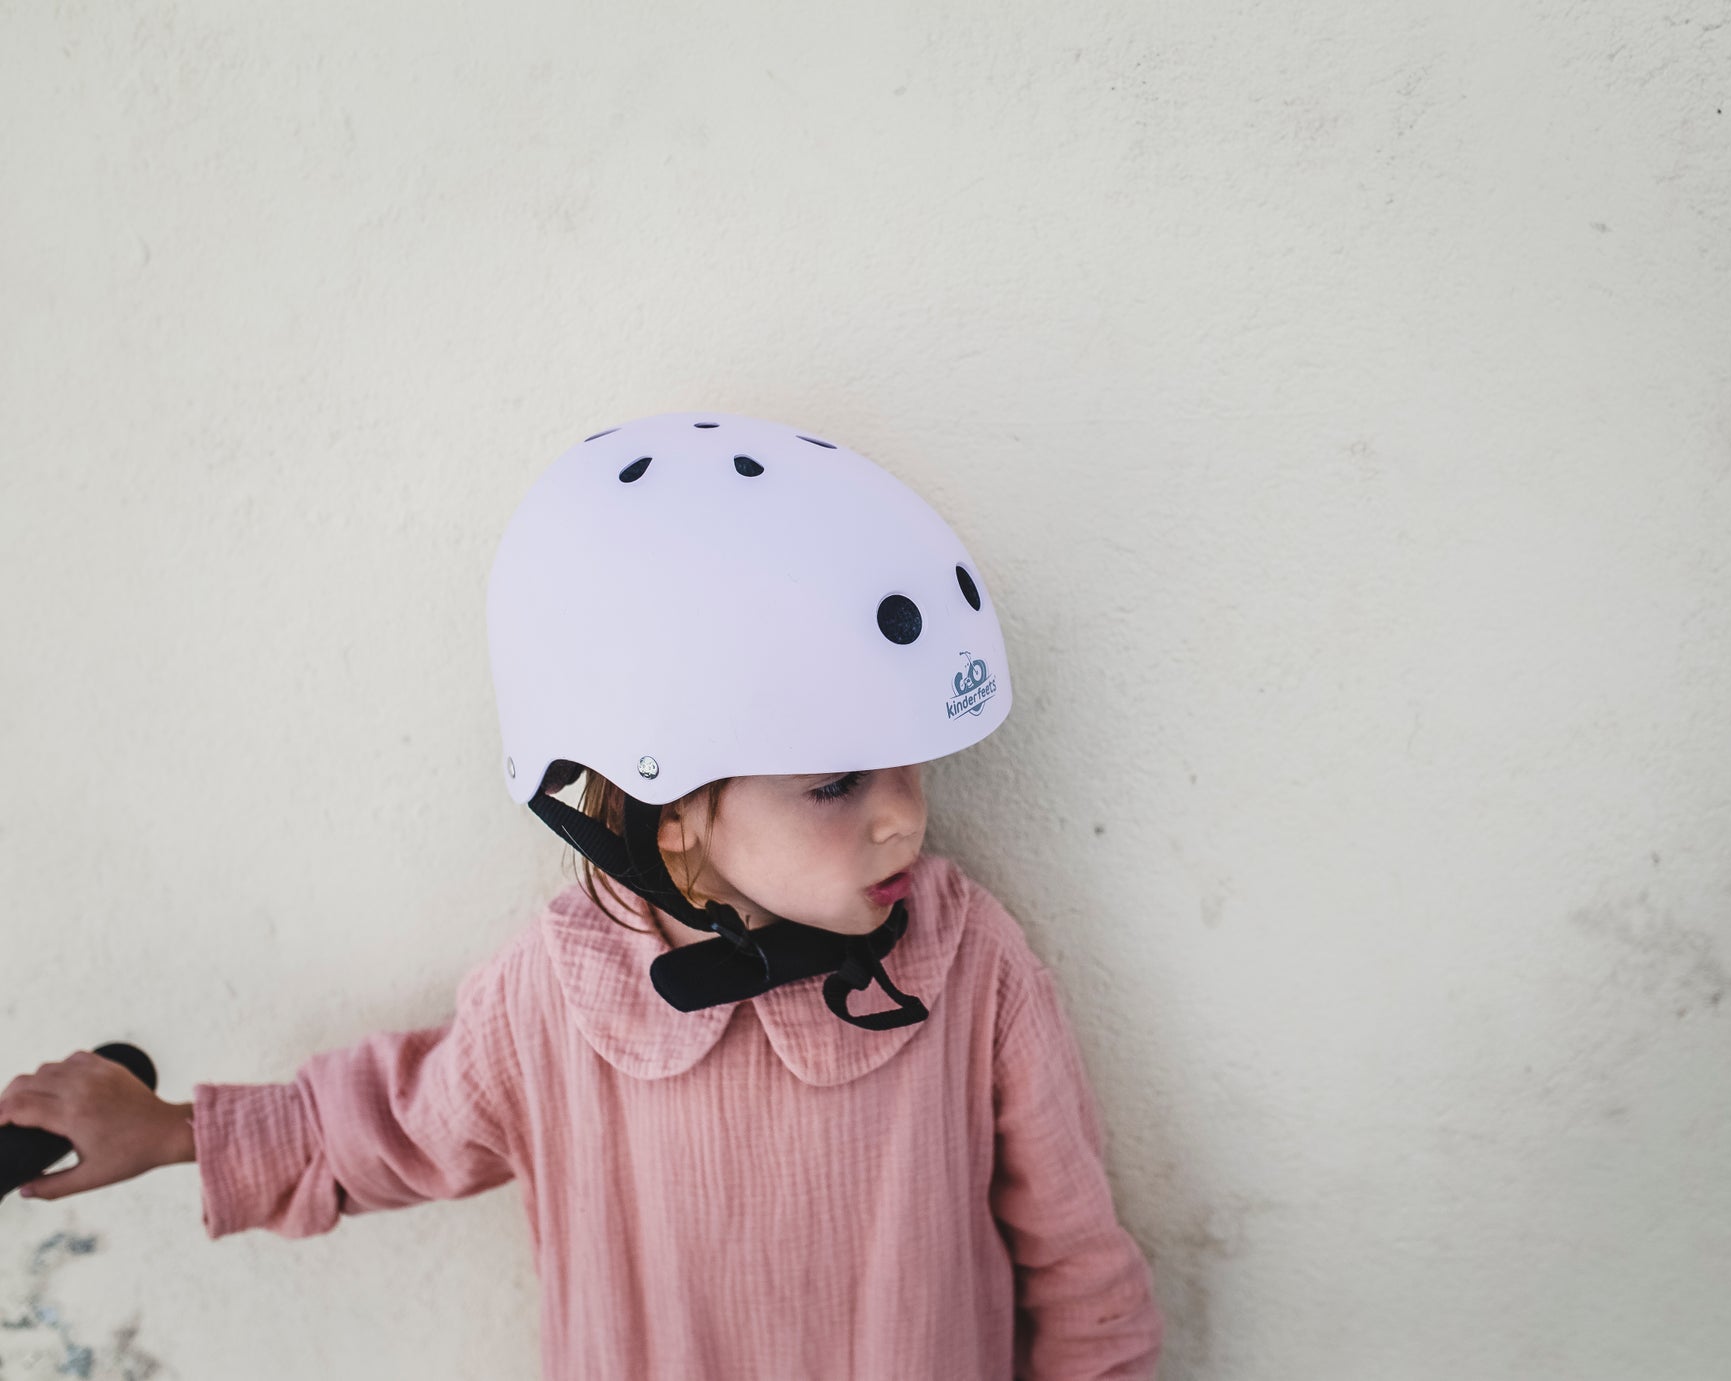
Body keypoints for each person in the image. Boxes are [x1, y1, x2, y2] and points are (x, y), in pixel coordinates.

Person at [0, 412, 1163, 1379]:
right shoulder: (563, 992)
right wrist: (165, 1133)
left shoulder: (964, 961)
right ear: (672, 816)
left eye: (912, 762)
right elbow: (390, 1127)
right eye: (835, 783)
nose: (903, 813)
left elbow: (1076, 1268)